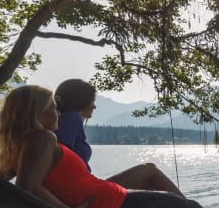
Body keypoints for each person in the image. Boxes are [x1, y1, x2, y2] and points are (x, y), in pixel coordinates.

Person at [0, 85, 219, 208]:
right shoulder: (41, 139)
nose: (57, 114)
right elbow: (28, 186)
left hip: (105, 201)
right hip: (107, 207)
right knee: (173, 204)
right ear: (37, 113)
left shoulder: (20, 146)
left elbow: (2, 179)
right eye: (52, 109)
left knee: (172, 203)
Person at [54, 78, 184, 194]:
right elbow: (59, 159)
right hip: (84, 191)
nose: (94, 106)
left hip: (84, 187)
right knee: (149, 170)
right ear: (81, 101)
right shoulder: (71, 118)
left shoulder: (66, 120)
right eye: (92, 101)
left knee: (149, 185)